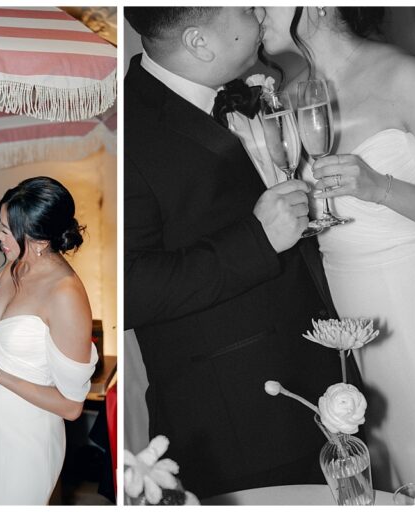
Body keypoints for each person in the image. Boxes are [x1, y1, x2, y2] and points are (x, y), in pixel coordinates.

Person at [124, 7, 357, 499]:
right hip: (237, 422)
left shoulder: (247, 91)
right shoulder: (128, 131)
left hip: (312, 382)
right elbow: (130, 289)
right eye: (244, 9)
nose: (257, 12)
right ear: (199, 43)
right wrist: (258, 239)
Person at [254, 7, 415, 502]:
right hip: (349, 305)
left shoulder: (403, 77)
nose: (253, 11)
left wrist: (378, 187)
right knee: (393, 459)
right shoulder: (292, 95)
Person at [0, 177, 98, 505]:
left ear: (39, 238)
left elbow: (71, 406)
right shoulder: (13, 268)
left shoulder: (65, 293)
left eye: (7, 230)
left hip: (26, 437)